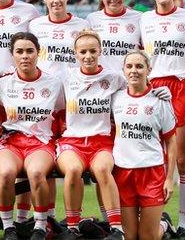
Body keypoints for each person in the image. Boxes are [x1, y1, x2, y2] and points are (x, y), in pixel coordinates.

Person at [139, 0, 185, 238]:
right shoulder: (144, 20)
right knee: (153, 159)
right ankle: (155, 219)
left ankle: (184, 225)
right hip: (152, 91)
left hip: (180, 90)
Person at [0, 33, 65, 240]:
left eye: (29, 51)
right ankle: (9, 227)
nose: (25, 56)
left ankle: (40, 226)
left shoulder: (53, 83)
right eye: (19, 51)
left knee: (36, 173)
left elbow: (61, 115)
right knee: (5, 174)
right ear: (12, 55)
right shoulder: (1, 85)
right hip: (11, 142)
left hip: (40, 142)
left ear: (38, 53)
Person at [56, 30, 125, 239]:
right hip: (72, 142)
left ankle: (116, 228)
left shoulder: (114, 78)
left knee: (103, 169)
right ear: (75, 53)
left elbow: (136, 92)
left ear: (100, 51)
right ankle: (72, 227)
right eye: (83, 52)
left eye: (93, 51)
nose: (88, 56)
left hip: (101, 142)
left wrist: (157, 93)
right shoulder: (65, 76)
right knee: (73, 170)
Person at [112, 52, 177, 240]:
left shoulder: (160, 100)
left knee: (147, 237)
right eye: (129, 66)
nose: (134, 71)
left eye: (139, 66)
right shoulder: (115, 98)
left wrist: (169, 179)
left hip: (151, 172)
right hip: (122, 172)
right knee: (129, 237)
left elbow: (171, 142)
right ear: (123, 70)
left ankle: (164, 224)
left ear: (149, 69)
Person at [28, 0, 89, 77]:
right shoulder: (34, 25)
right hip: (45, 84)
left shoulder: (83, 25)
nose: (56, 0)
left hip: (73, 84)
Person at [87, 0, 142, 73]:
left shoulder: (139, 18)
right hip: (101, 82)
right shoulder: (92, 20)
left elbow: (147, 54)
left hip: (130, 81)